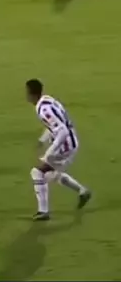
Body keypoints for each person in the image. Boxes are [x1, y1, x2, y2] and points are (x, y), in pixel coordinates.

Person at [25, 78, 91, 221]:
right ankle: (83, 191)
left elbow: (62, 130)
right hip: (70, 142)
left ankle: (43, 212)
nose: (26, 96)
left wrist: (49, 153)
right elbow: (56, 124)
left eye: (27, 93)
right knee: (50, 175)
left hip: (65, 146)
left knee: (37, 172)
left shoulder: (44, 110)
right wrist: (42, 139)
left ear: (32, 95)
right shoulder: (47, 100)